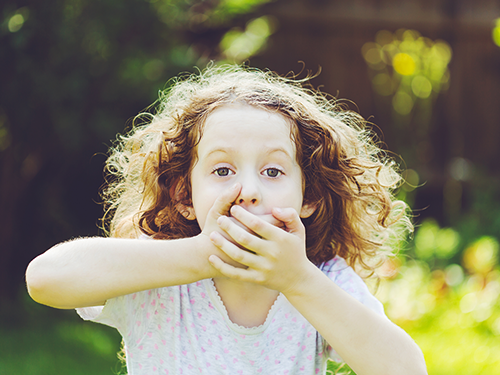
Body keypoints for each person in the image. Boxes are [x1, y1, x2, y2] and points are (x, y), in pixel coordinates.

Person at [26, 65, 427, 375]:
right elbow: (44, 279)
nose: (248, 189)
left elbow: (406, 369)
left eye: (272, 172)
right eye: (222, 171)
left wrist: (298, 280)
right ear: (185, 196)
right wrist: (201, 256)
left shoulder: (319, 279)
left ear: (310, 198)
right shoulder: (157, 274)